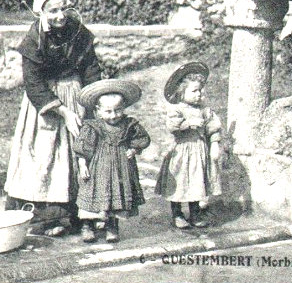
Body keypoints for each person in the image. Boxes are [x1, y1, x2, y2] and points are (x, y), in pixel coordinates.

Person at [4, 0, 102, 236]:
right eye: (53, 11)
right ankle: (50, 218)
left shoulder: (78, 32)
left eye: (63, 9)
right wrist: (63, 112)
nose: (60, 16)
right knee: (44, 156)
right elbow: (33, 81)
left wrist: (92, 98)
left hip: (74, 92)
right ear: (41, 13)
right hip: (46, 105)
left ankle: (83, 214)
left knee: (76, 154)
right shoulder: (34, 38)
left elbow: (91, 67)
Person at [74, 79, 150, 243]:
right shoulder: (93, 127)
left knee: (117, 193)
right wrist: (82, 164)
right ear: (98, 111)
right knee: (94, 193)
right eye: (108, 111)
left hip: (121, 167)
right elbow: (83, 146)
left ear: (124, 108)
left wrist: (134, 149)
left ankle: (112, 226)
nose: (114, 115)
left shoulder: (129, 124)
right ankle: (87, 225)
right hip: (98, 168)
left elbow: (141, 138)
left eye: (118, 110)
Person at [155, 62, 223, 229]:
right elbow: (172, 127)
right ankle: (177, 213)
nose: (198, 94)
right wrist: (188, 123)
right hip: (181, 151)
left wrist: (214, 145)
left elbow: (213, 128)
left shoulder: (205, 110)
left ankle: (195, 213)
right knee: (178, 182)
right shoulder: (177, 110)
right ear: (181, 92)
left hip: (199, 151)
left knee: (196, 182)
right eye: (194, 91)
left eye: (200, 90)